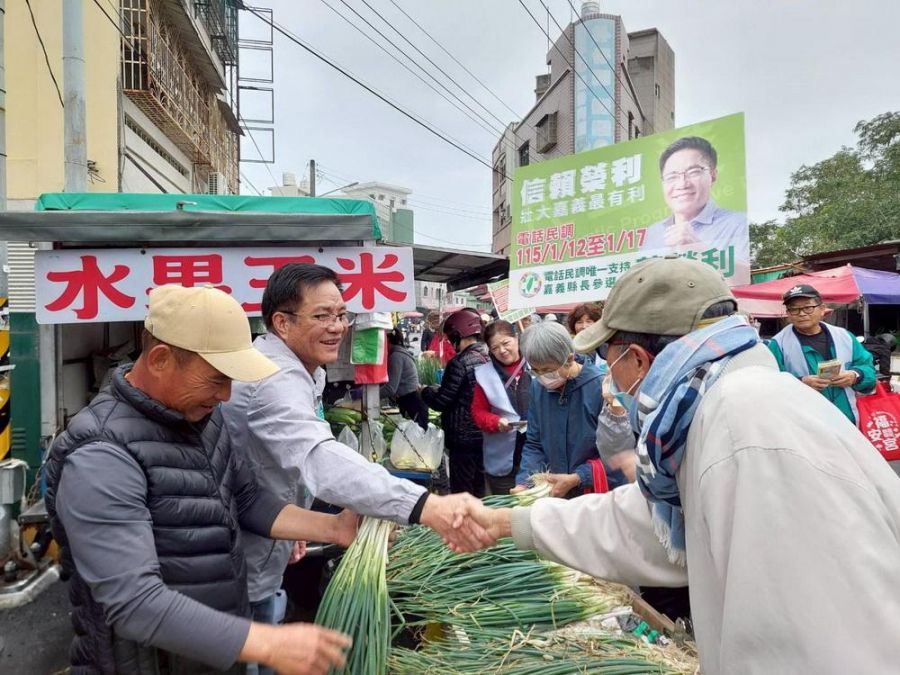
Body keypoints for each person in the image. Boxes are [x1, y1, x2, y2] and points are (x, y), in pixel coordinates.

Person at [455, 257, 900, 674]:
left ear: (638, 358)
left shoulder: (746, 428)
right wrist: (510, 522)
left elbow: (799, 634)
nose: (610, 375)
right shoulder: (717, 408)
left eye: (609, 358)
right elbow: (653, 523)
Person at [45, 285, 361, 675]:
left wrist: (333, 527)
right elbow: (134, 603)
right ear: (161, 359)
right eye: (215, 379)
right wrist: (267, 642)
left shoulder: (201, 418)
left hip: (214, 652)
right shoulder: (100, 455)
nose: (226, 395)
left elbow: (246, 499)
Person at [221, 265, 489, 650]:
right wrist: (425, 506)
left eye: (341, 314)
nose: (337, 327)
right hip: (240, 562)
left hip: (267, 540)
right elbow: (318, 457)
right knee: (253, 652)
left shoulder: (299, 370)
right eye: (322, 316)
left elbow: (282, 459)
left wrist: (296, 527)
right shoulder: (274, 377)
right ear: (281, 322)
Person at [513, 321, 628, 497]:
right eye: (535, 370)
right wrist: (524, 482)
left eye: (547, 370)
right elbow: (535, 443)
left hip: (594, 495)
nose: (542, 377)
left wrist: (579, 477)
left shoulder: (602, 388)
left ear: (569, 359)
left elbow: (621, 452)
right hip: (555, 492)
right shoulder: (538, 387)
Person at [641, 137, 749, 282]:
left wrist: (697, 247)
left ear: (713, 175)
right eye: (672, 176)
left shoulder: (739, 223)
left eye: (693, 172)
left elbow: (747, 279)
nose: (682, 184)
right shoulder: (653, 232)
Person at [768, 284, 876, 425]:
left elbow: (867, 368)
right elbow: (769, 383)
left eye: (808, 307)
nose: (801, 314)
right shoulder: (778, 344)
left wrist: (855, 376)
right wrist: (800, 383)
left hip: (847, 420)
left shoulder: (844, 336)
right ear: (788, 314)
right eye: (794, 309)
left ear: (822, 309)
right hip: (805, 424)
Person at [422, 308, 489, 496]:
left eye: (451, 338)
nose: (451, 343)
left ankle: (466, 516)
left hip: (463, 437)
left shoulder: (460, 362)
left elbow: (441, 401)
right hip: (484, 434)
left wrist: (425, 391)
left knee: (462, 490)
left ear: (458, 335)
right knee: (479, 486)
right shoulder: (488, 356)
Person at [470, 321, 532, 495]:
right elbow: (478, 412)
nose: (502, 351)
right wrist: (495, 422)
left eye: (506, 343)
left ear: (517, 338)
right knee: (505, 504)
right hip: (502, 455)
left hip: (536, 453)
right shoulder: (484, 374)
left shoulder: (536, 364)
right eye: (495, 348)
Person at [384, 325, 429, 429]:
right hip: (411, 401)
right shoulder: (398, 353)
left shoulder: (396, 356)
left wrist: (369, 395)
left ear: (388, 340)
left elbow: (390, 388)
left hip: (413, 403)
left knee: (416, 436)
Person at [567, 302, 607, 373]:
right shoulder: (569, 350)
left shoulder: (607, 347)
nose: (584, 326)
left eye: (589, 321)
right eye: (579, 322)